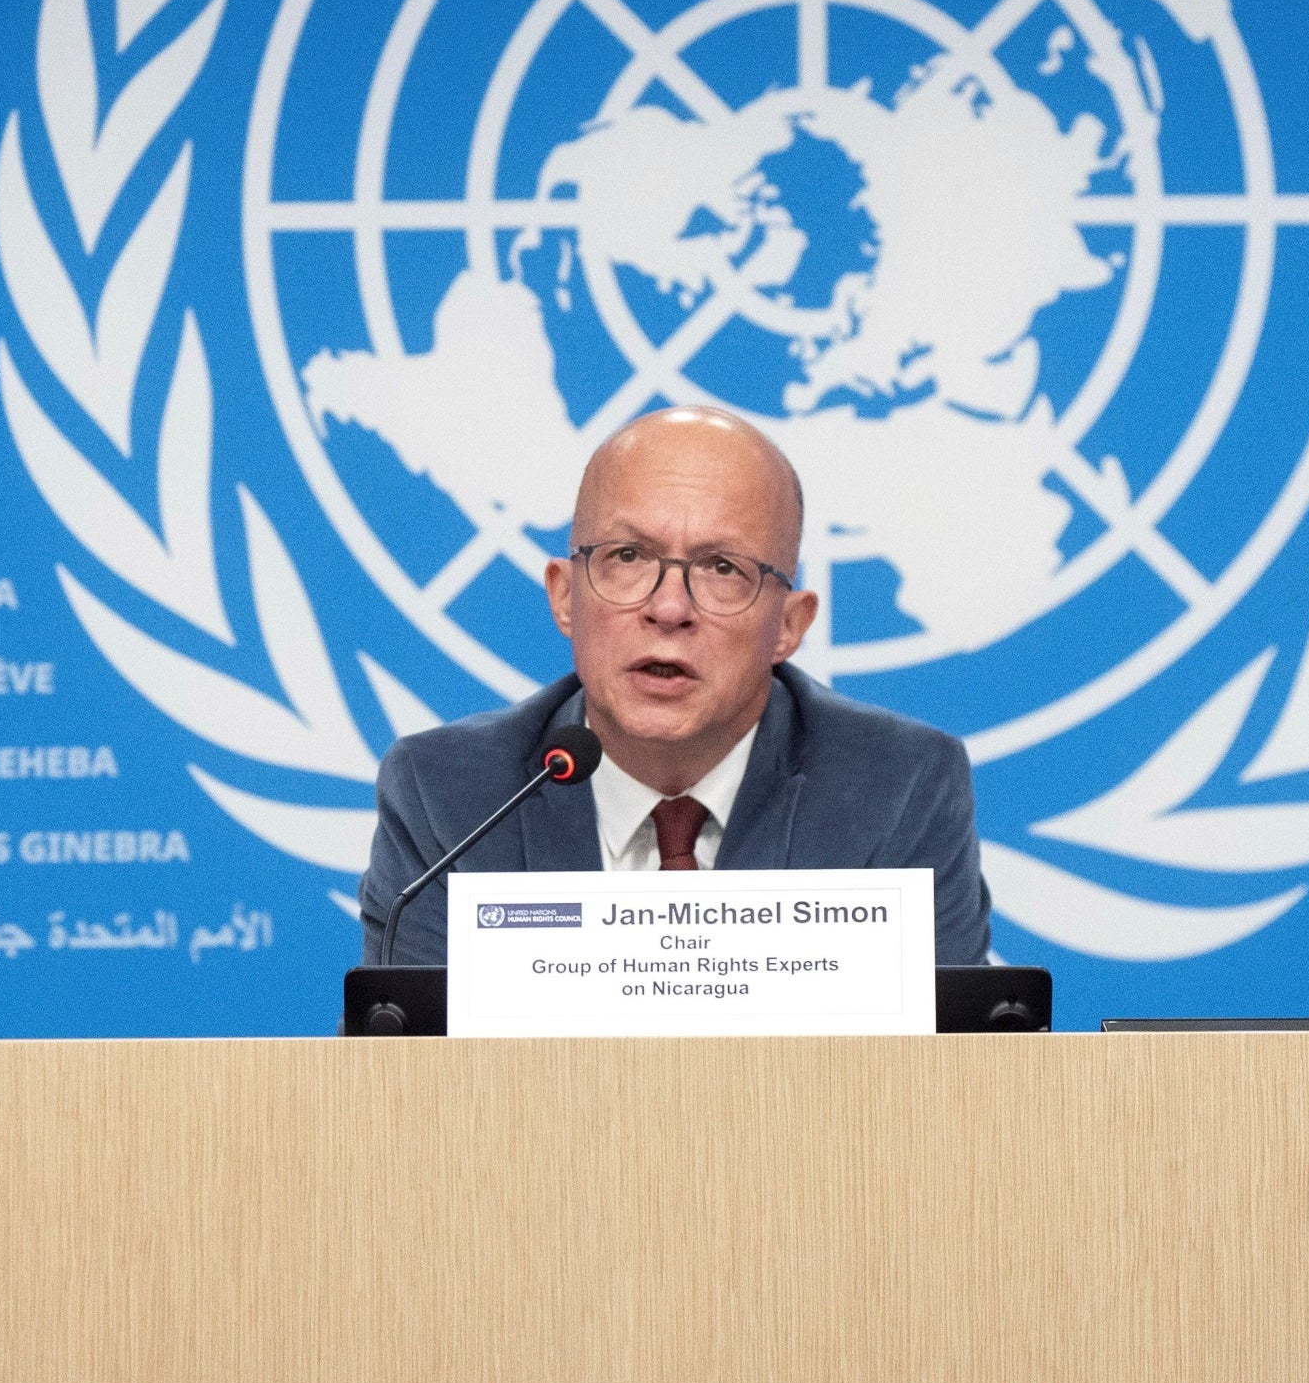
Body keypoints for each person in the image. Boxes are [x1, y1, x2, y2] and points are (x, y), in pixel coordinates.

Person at [360, 404, 990, 965]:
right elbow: (409, 1078)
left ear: (789, 626)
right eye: (628, 557)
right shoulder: (451, 795)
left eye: (721, 567)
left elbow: (949, 1076)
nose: (668, 609)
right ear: (565, 598)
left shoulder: (896, 787)